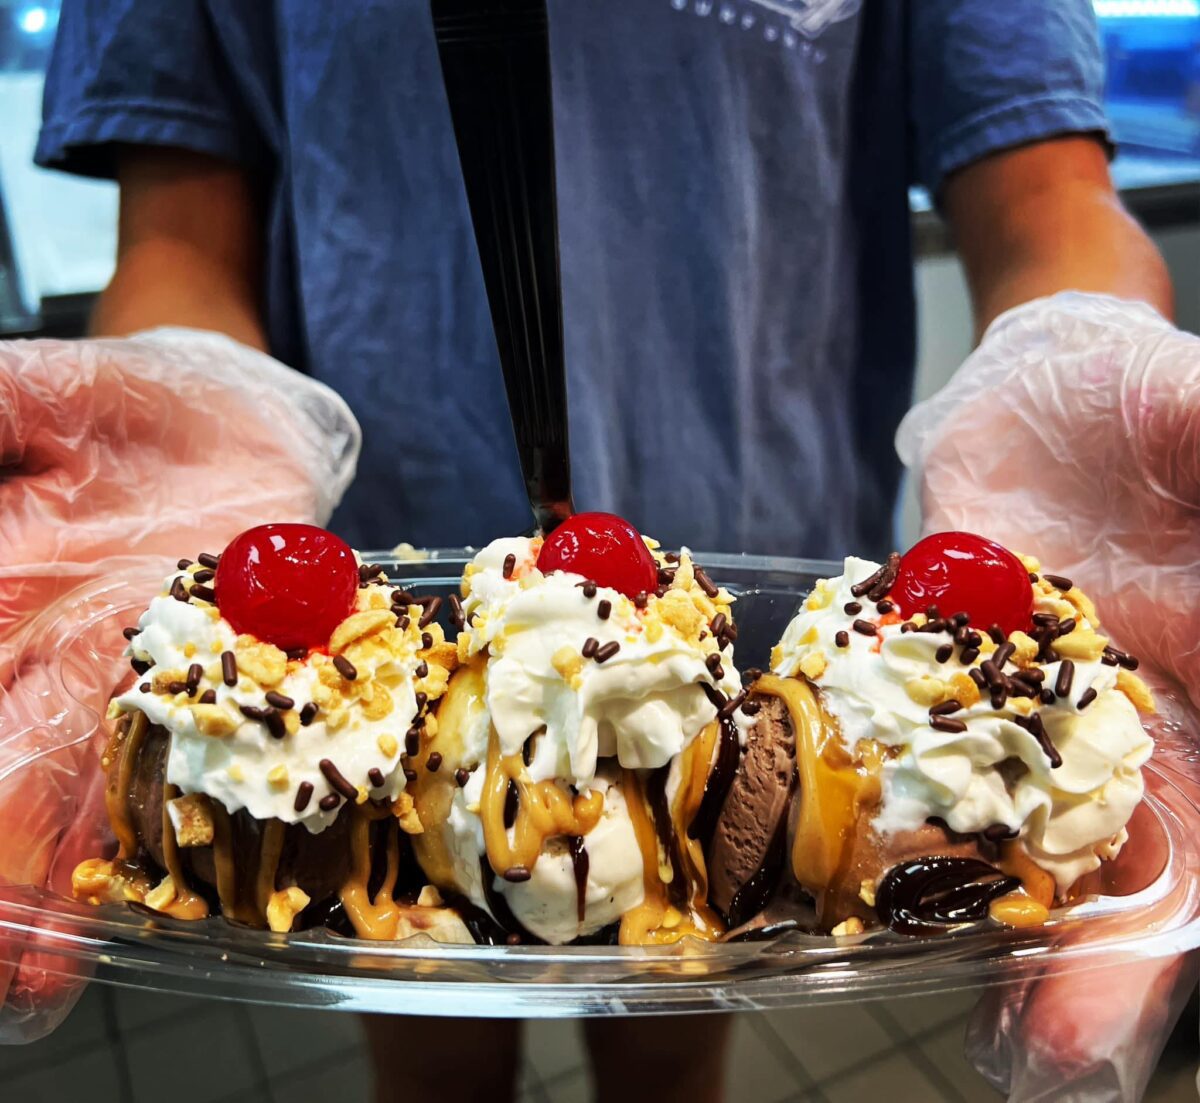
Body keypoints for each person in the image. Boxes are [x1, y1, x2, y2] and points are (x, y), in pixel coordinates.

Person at [17, 1, 1192, 1101]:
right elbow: (177, 227)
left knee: (674, 1045)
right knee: (428, 1052)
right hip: (385, 647)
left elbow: (1046, 193)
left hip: (756, 656)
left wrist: (1069, 348)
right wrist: (188, 378)